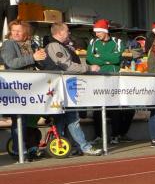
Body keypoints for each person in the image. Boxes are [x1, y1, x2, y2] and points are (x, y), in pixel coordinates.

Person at [42, 22, 103, 156]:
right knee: (71, 118)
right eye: (67, 31)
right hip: (61, 87)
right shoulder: (54, 46)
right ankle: (83, 146)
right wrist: (89, 68)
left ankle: (66, 145)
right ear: (59, 33)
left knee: (64, 119)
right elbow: (67, 66)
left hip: (61, 87)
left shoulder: (60, 46)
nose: (69, 33)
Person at [1, 20, 46, 158]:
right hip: (17, 87)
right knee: (19, 120)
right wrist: (33, 57)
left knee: (28, 120)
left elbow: (40, 65)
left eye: (18, 31)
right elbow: (11, 63)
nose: (15, 33)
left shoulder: (31, 44)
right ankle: (19, 150)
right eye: (13, 30)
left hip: (30, 87)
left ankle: (30, 147)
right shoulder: (9, 44)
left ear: (26, 33)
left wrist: (41, 58)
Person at [86, 18, 134, 144]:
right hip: (97, 78)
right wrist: (108, 60)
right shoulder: (93, 42)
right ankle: (99, 135)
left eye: (98, 32)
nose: (96, 34)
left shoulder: (117, 42)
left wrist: (99, 57)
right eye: (96, 32)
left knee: (114, 107)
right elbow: (89, 59)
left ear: (105, 31)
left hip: (113, 78)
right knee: (98, 108)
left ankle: (115, 135)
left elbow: (117, 59)